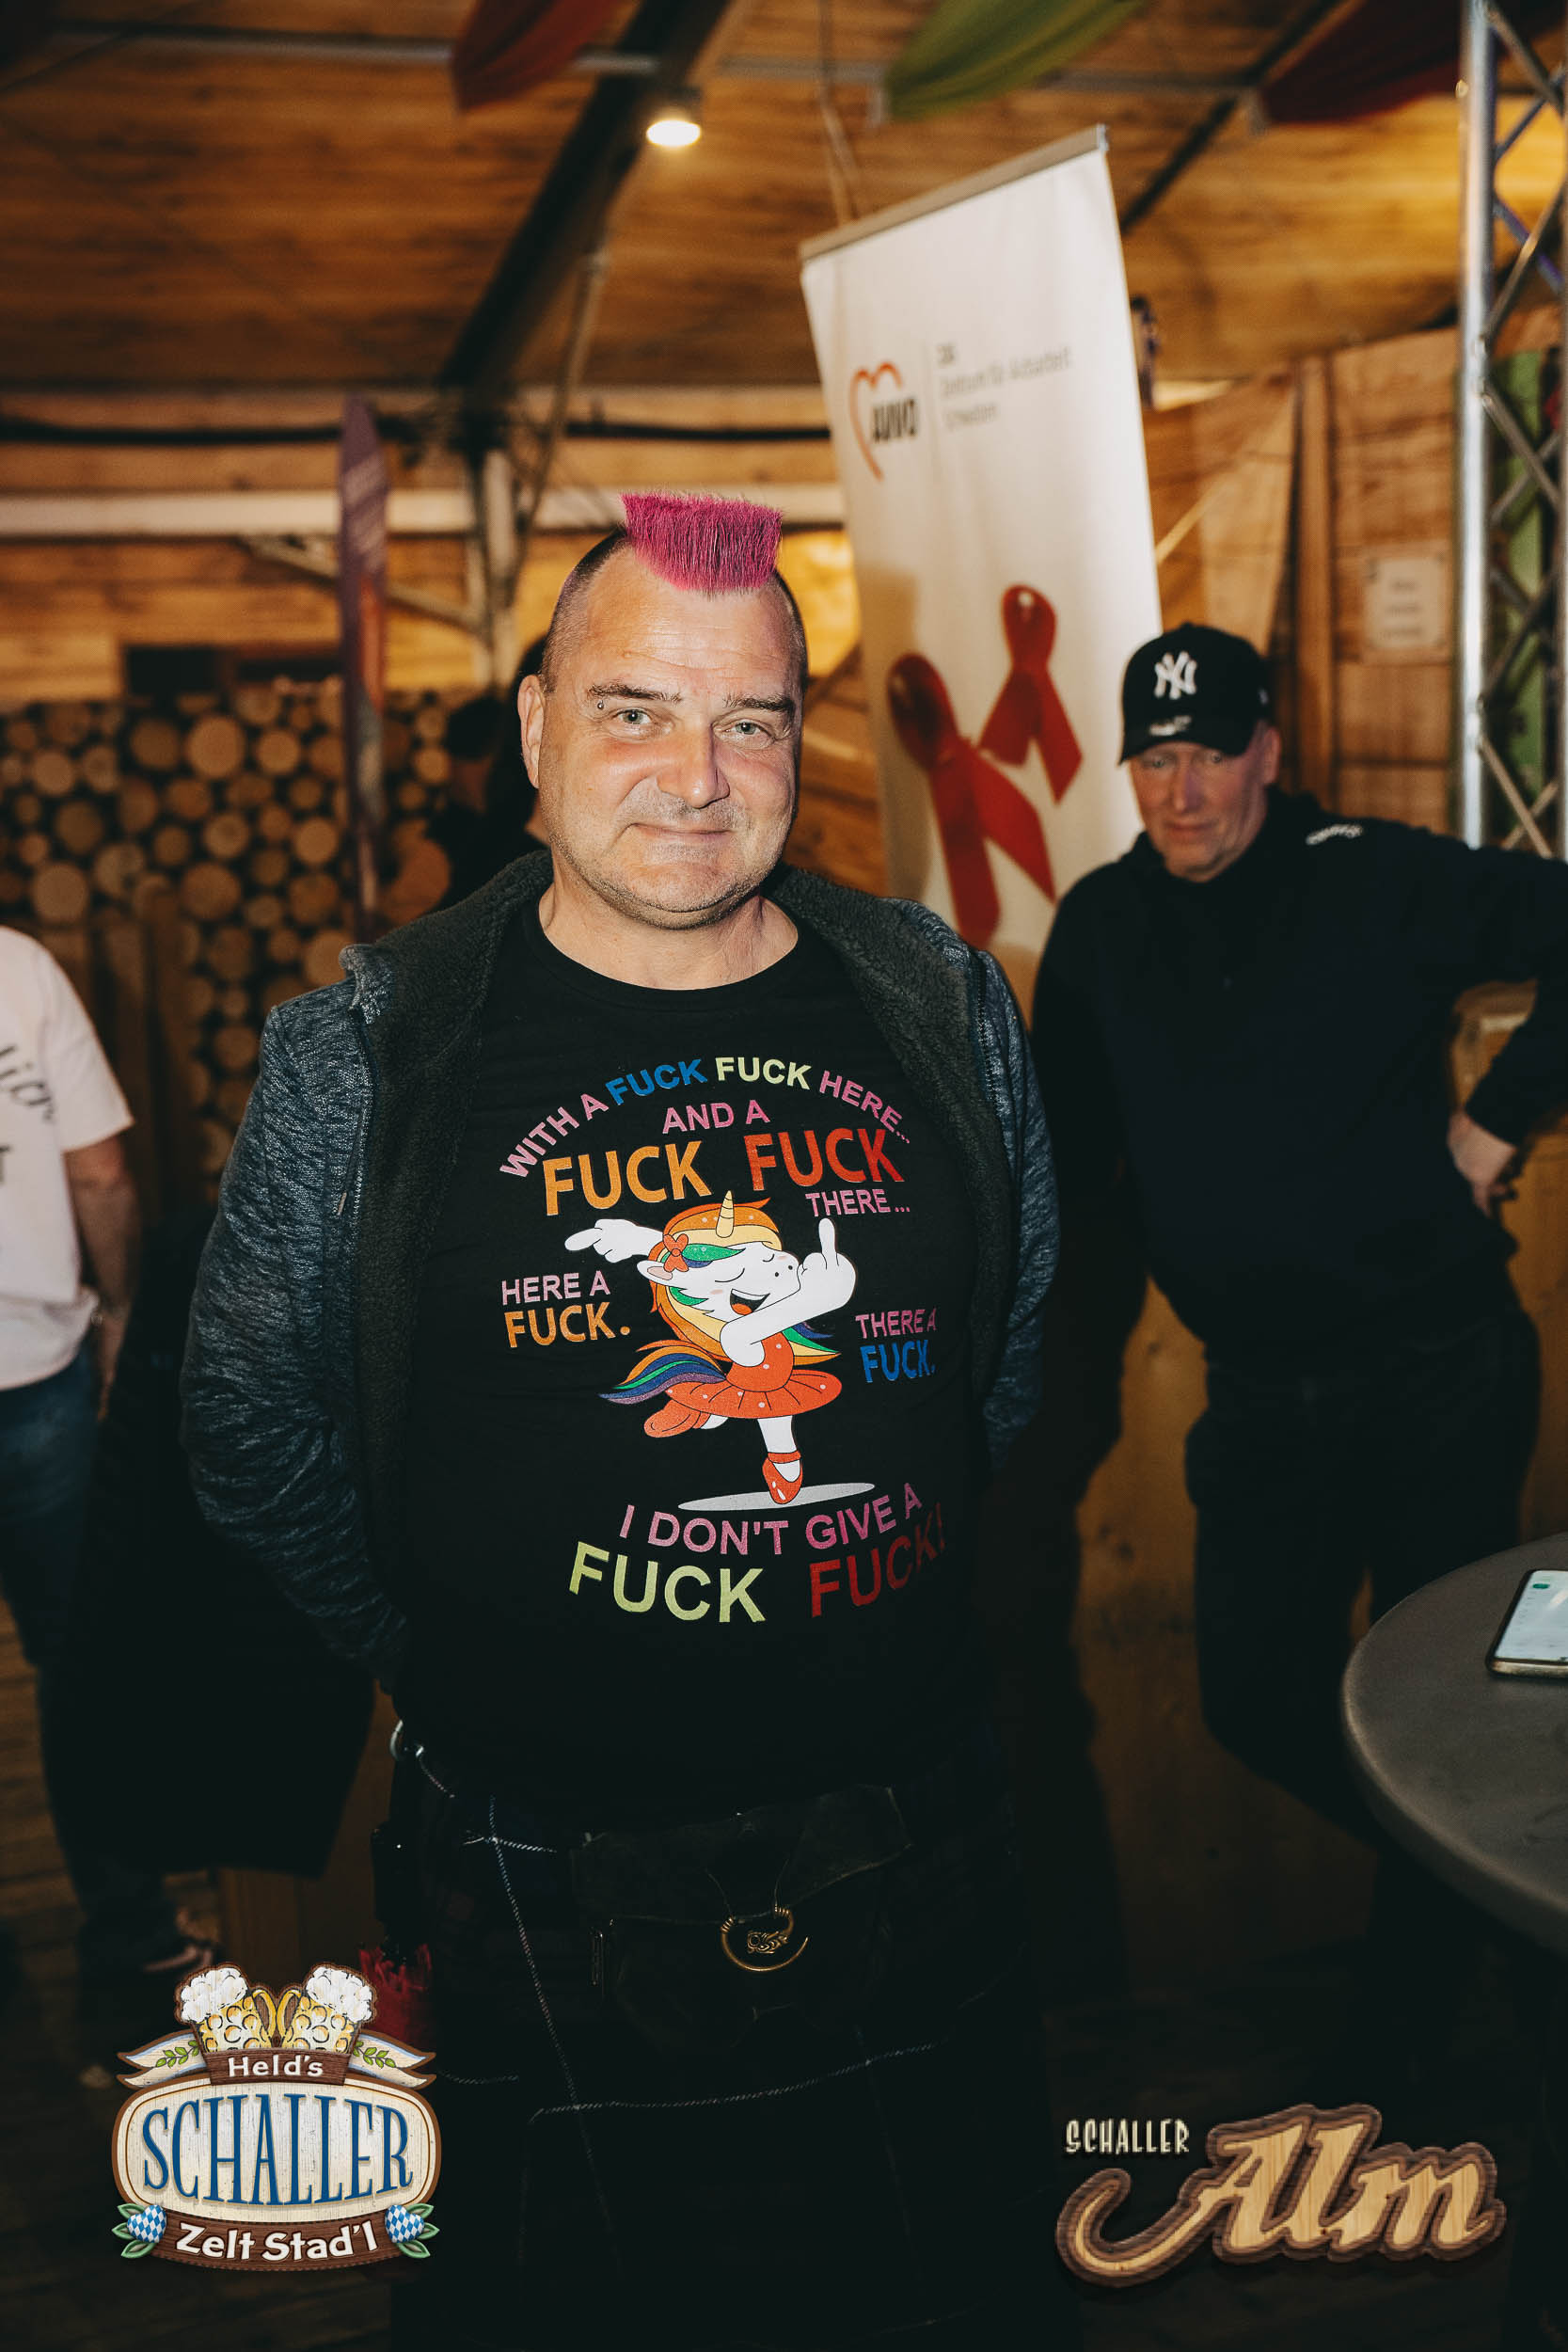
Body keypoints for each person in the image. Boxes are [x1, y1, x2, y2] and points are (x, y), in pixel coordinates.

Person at [182, 493, 1072, 2351]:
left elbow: (999, 1349)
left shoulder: (934, 998)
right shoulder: (370, 1047)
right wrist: (445, 1647)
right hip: (543, 1840)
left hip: (917, 1801)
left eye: (750, 719)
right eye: (634, 710)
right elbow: (246, 1418)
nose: (697, 775)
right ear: (533, 727)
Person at [1030, 620, 1560, 1847]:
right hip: (1259, 1390)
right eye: (1155, 760)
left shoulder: (1370, 874)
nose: (1182, 791)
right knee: (1253, 1696)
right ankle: (1460, 1887)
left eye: (1211, 755)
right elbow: (1072, 1164)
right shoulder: (1099, 925)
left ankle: (1434, 1950)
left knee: (1445, 1705)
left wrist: (1492, 1124)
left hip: (1435, 1367)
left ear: (1265, 752)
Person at [0, 926, 207, 1994]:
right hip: (33, 1374)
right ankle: (132, 1928)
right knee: (79, 1658)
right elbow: (102, 1172)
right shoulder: (18, 969)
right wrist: (121, 1308)